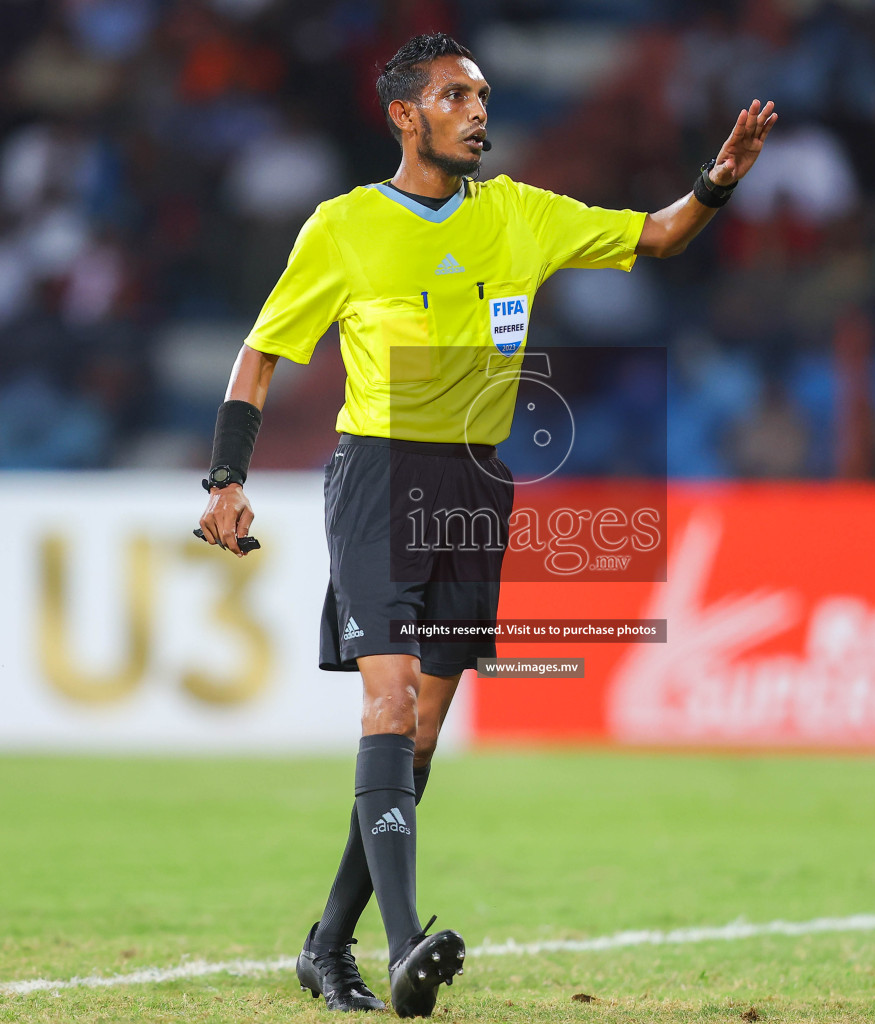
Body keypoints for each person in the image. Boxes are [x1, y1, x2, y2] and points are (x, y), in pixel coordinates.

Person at [195, 32, 775, 1017]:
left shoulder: (521, 213)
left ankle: (326, 943)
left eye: (483, 95)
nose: (477, 110)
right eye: (457, 95)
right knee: (384, 709)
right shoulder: (343, 228)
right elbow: (260, 357)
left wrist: (717, 180)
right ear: (404, 117)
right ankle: (407, 941)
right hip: (378, 474)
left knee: (418, 736)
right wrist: (225, 478)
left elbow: (660, 235)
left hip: (475, 483)